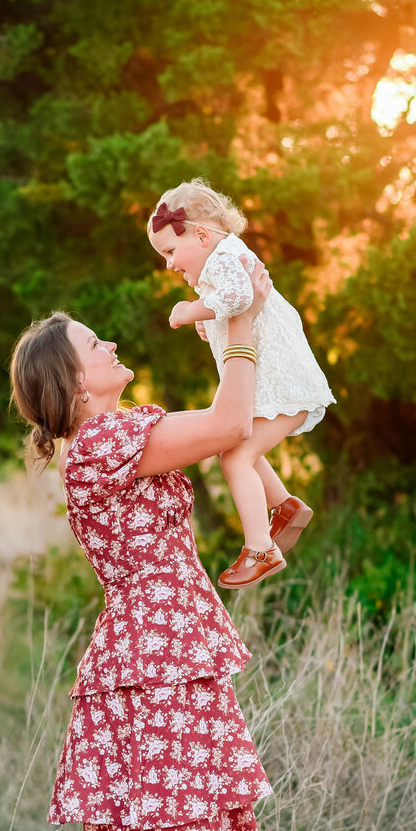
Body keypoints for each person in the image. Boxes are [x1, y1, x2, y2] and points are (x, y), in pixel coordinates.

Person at [9, 256, 277, 831]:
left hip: (174, 654)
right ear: (75, 382)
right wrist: (235, 316)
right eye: (95, 343)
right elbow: (234, 420)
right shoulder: (104, 445)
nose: (113, 340)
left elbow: (229, 434)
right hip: (146, 668)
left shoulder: (125, 437)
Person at [148, 177, 336, 589]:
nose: (168, 264)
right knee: (234, 446)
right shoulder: (224, 260)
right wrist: (209, 319)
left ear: (200, 234)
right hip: (282, 383)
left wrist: (189, 310)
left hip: (285, 385)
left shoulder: (224, 260)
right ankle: (285, 507)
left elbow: (237, 300)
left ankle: (261, 549)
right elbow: (236, 306)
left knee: (234, 459)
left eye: (170, 251)